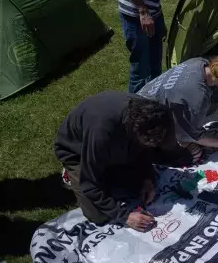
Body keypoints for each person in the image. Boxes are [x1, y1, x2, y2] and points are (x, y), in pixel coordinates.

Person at [54, 92, 173, 230]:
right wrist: (125, 216)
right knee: (98, 214)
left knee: (136, 188)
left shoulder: (149, 112)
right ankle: (71, 173)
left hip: (115, 146)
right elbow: (89, 184)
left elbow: (144, 149)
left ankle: (110, 170)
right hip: (76, 152)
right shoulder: (102, 133)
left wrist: (147, 178)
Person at [140, 50, 218, 164]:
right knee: (194, 153)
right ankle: (152, 155)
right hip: (145, 124)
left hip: (143, 99)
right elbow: (195, 136)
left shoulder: (201, 63)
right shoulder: (197, 96)